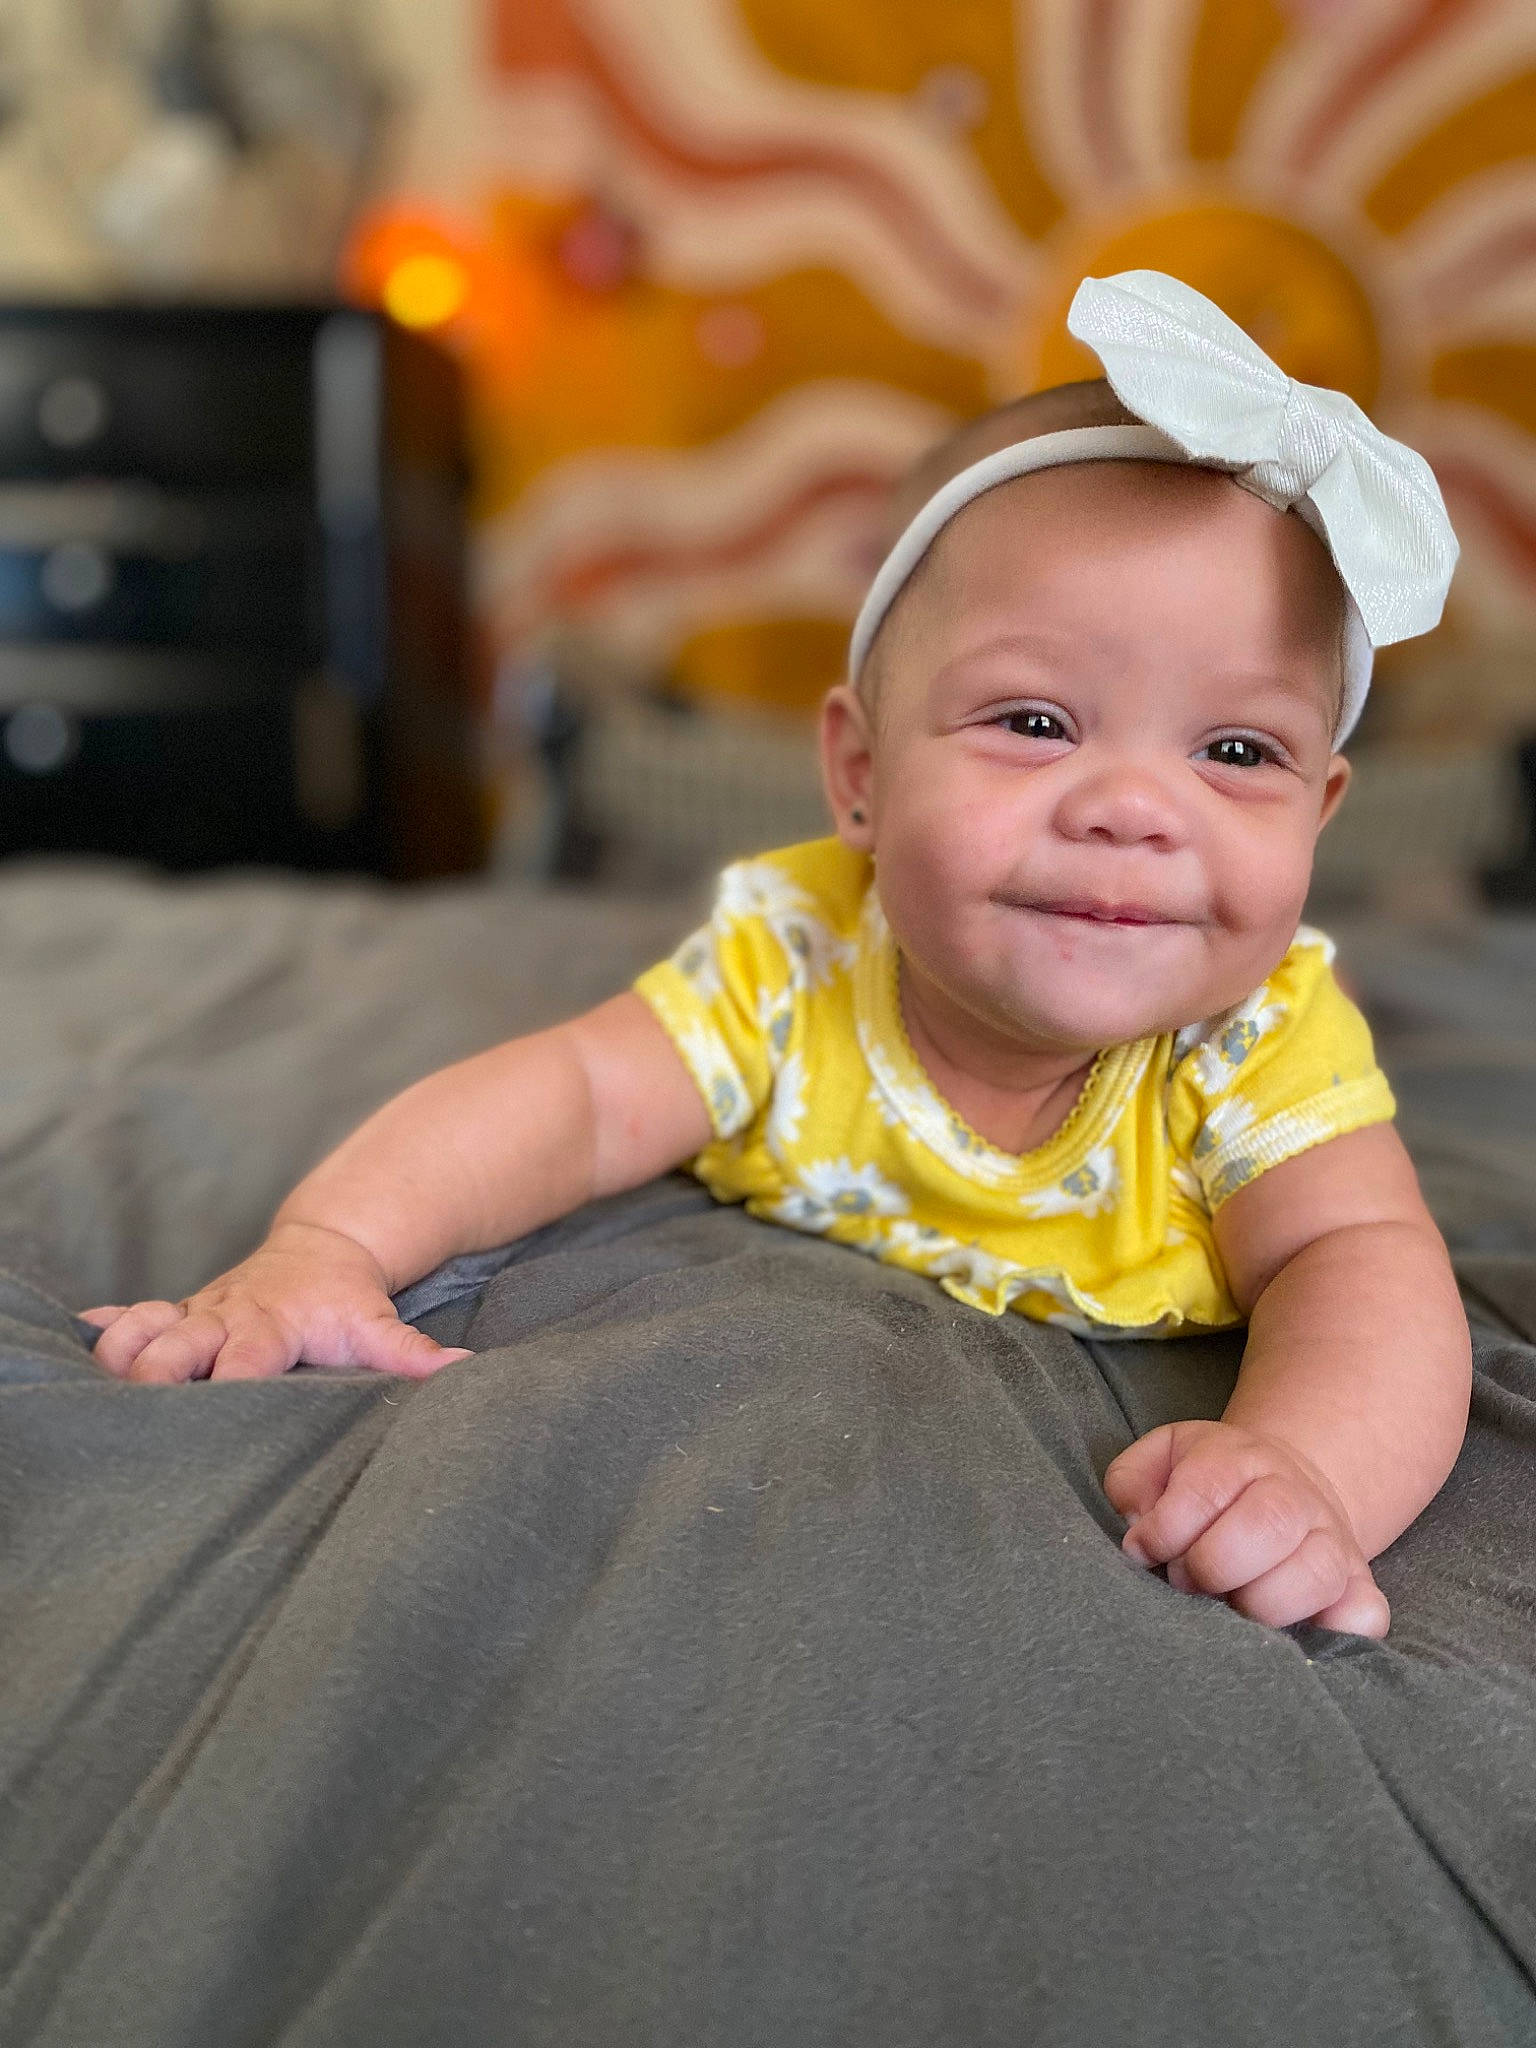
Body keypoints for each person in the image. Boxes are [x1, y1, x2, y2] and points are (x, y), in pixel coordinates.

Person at [81, 271, 1471, 1641]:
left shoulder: (1252, 1042)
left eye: (1237, 750)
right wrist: (329, 1245)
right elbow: (570, 1098)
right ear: (860, 775)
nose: (1131, 808)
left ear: (1321, 811)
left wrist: (1310, 1474)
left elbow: (1360, 1267)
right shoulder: (796, 959)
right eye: (1036, 723)